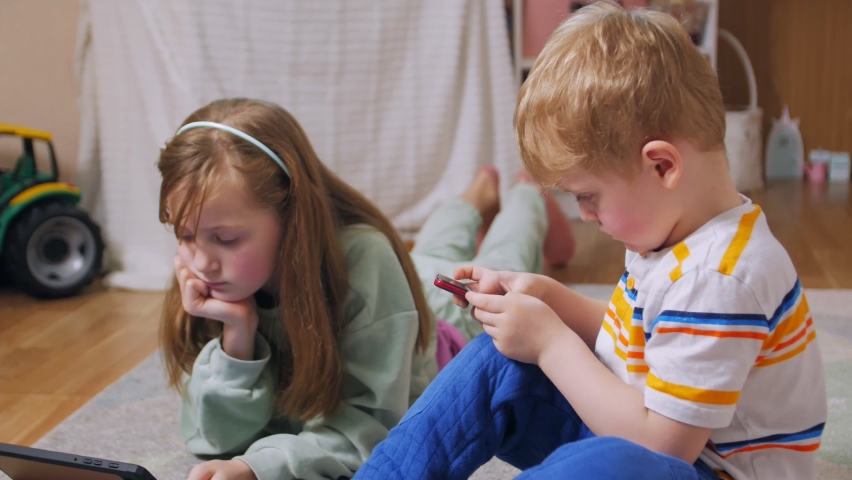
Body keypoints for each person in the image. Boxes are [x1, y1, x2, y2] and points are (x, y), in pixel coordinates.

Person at [353, 3, 827, 479]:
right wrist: (548, 301)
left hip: (689, 464)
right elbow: (646, 340)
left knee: (603, 463)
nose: (582, 214)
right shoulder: (672, 234)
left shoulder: (719, 276)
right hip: (638, 433)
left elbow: (660, 447)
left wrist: (550, 342)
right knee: (497, 362)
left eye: (588, 195)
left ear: (661, 166)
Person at [157, 98, 574, 480]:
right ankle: (476, 195)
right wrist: (237, 335)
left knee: (502, 269)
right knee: (430, 250)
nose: (201, 261)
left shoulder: (365, 262)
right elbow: (211, 438)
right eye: (185, 234)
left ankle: (525, 193)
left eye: (226, 239)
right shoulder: (214, 273)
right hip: (400, 283)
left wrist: (257, 469)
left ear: (291, 215)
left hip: (443, 315)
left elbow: (372, 432)